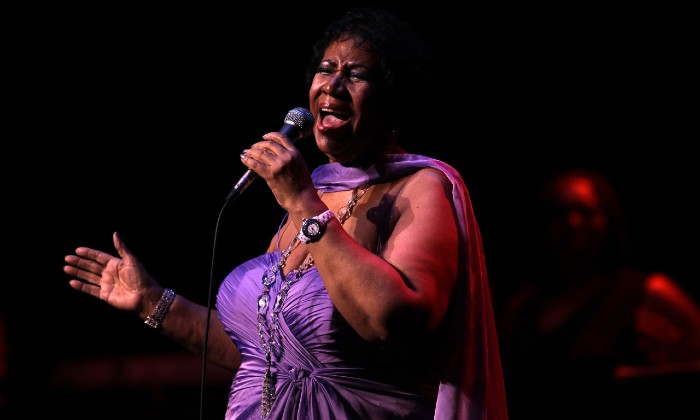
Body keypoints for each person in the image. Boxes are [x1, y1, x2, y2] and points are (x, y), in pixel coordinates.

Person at [63, 7, 508, 419]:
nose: (332, 86)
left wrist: (302, 203)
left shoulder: (419, 187)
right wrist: (154, 302)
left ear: (393, 101)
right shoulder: (318, 189)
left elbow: (388, 322)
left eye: (355, 75)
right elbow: (265, 352)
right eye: (326, 69)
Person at [497, 168, 700, 420]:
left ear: (609, 220)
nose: (572, 223)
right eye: (560, 213)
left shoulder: (648, 293)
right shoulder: (521, 306)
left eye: (586, 212)